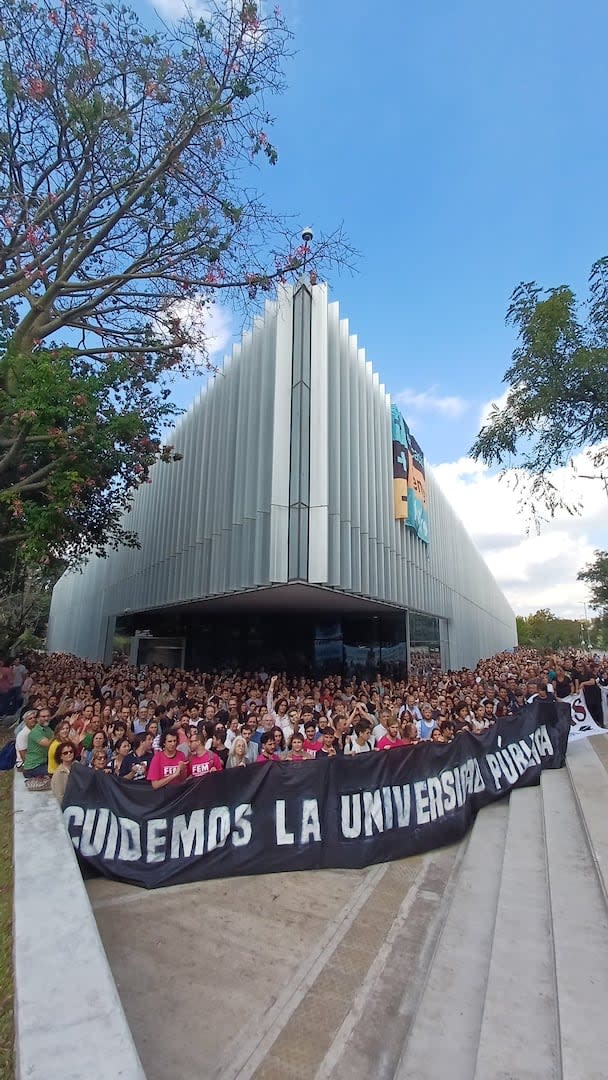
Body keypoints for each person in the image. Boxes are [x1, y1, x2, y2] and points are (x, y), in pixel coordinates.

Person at [22, 707, 55, 787]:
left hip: (43, 763)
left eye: (48, 716)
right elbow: (47, 743)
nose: (46, 718)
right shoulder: (35, 732)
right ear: (37, 719)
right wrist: (59, 732)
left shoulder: (48, 729)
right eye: (43, 716)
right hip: (33, 767)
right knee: (56, 774)